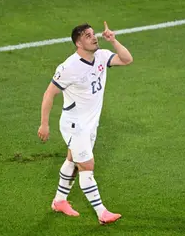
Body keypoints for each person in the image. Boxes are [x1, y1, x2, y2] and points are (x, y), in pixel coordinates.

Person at [37, 21, 133, 225]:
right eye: (88, 36)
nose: (94, 37)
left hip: (90, 124)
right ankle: (102, 213)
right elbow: (49, 94)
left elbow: (127, 60)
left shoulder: (101, 55)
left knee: (72, 160)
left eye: (93, 34)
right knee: (87, 165)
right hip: (74, 124)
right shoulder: (68, 67)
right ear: (78, 43)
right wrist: (44, 124)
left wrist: (113, 41)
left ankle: (59, 201)